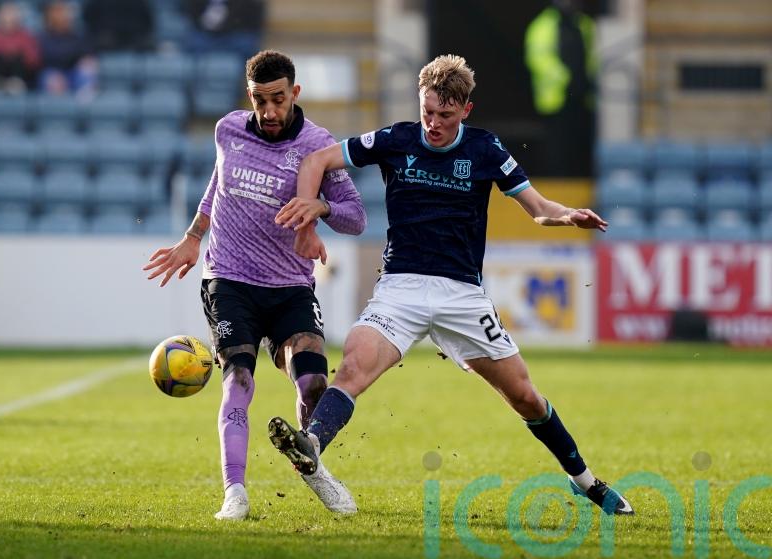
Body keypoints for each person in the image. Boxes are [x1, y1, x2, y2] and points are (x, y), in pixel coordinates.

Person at [268, 54, 634, 516]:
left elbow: (537, 207)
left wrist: (568, 216)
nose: (433, 124)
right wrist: (307, 217)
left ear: (466, 110)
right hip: (400, 288)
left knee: (525, 396)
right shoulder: (395, 138)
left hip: (461, 294)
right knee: (353, 369)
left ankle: (585, 481)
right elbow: (318, 160)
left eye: (444, 114)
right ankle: (311, 444)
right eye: (427, 112)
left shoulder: (485, 149)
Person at [143, 50, 366, 521]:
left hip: (289, 285)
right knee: (238, 380)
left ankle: (314, 468)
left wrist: (321, 209)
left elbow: (356, 217)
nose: (268, 111)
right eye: (259, 100)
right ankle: (235, 494)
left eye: (278, 99)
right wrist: (191, 237)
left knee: (313, 384)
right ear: (249, 96)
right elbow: (217, 183)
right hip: (229, 279)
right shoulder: (228, 130)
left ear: (295, 94)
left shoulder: (319, 145)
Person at [524, 0, 597, 176]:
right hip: (555, 99)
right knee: (556, 145)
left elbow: (593, 56)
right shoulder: (542, 26)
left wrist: (589, 79)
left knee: (580, 143)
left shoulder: (586, 24)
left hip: (582, 97)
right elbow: (538, 60)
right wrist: (566, 78)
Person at [0, 2, 41, 91]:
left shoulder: (25, 36)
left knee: (17, 58)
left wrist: (15, 51)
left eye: (11, 16)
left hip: (20, 77)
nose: (8, 19)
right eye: (5, 16)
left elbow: (34, 60)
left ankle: (16, 83)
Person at [37, 1, 97, 96]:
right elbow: (40, 61)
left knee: (87, 70)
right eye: (58, 12)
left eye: (65, 11)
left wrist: (86, 62)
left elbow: (88, 56)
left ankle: (86, 106)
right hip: (51, 74)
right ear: (50, 15)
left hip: (72, 73)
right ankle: (57, 109)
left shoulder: (77, 36)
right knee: (50, 78)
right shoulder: (42, 37)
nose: (63, 15)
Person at [183, 0, 266, 61]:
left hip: (234, 37)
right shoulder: (197, 3)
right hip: (204, 37)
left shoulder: (248, 3)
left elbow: (251, 24)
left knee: (246, 44)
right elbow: (192, 17)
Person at [82, 0, 154, 52]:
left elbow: (148, 20)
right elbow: (88, 16)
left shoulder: (139, 2)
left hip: (135, 39)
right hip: (106, 39)